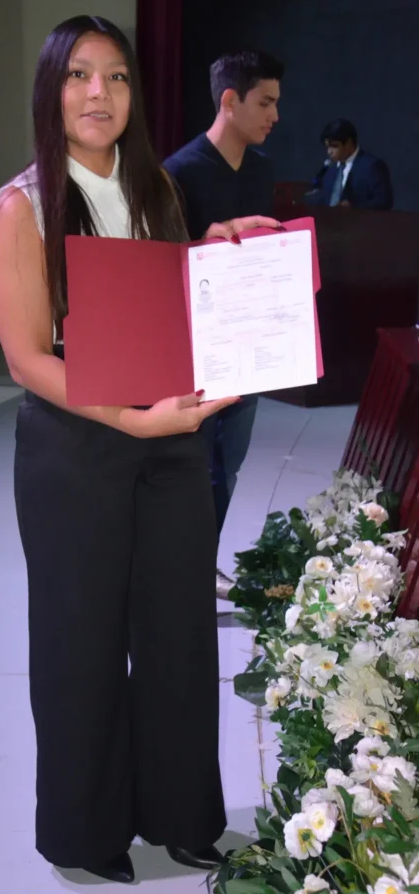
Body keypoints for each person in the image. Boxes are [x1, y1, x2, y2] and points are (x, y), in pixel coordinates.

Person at [0, 15, 237, 885]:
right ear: (51, 91)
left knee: (178, 635)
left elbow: (167, 299)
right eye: (80, 75)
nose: (100, 93)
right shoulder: (23, 205)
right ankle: (85, 834)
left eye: (118, 76)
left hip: (169, 440)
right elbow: (26, 357)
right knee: (80, 641)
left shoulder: (156, 187)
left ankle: (182, 816)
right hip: (75, 446)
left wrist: (217, 254)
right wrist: (124, 420)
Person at [163, 50, 284, 598]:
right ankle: (179, 570)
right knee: (190, 465)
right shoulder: (178, 172)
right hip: (192, 348)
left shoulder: (261, 169)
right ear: (229, 101)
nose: (275, 116)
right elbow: (163, 263)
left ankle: (202, 564)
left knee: (227, 466)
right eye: (266, 102)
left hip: (246, 345)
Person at [310, 119, 393, 210]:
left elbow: (383, 202)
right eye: (327, 146)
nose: (329, 151)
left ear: (349, 143)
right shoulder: (330, 170)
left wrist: (354, 208)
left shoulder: (372, 167)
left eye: (334, 146)